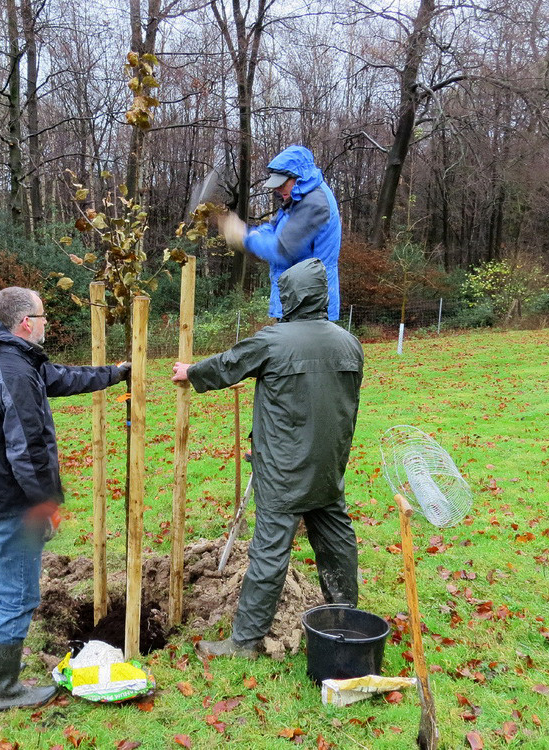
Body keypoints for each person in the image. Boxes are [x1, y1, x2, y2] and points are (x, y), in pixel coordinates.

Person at [171, 258, 363, 658]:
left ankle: (245, 641)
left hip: (284, 469)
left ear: (291, 297)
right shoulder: (349, 342)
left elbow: (228, 366)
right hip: (328, 466)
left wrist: (191, 371)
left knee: (269, 551)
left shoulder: (272, 341)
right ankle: (346, 618)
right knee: (336, 541)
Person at [0, 286, 130, 709]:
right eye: (42, 317)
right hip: (12, 505)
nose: (46, 325)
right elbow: (30, 451)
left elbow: (62, 378)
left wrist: (115, 372)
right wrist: (46, 506)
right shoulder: (15, 373)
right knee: (18, 595)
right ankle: (6, 690)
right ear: (25, 324)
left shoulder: (11, 361)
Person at [220, 145, 342, 321]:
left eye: (282, 184)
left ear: (299, 177)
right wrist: (250, 233)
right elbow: (273, 228)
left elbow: (283, 250)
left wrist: (244, 239)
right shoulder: (298, 197)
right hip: (295, 299)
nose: (277, 189)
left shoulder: (314, 203)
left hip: (309, 306)